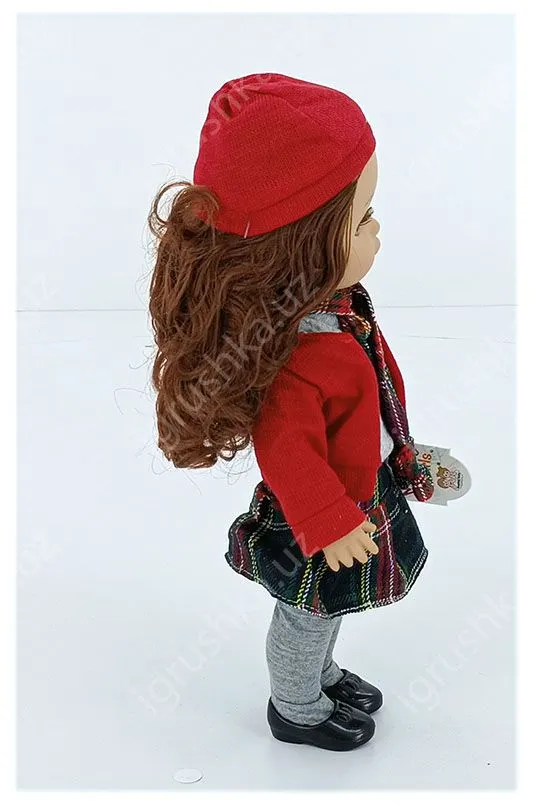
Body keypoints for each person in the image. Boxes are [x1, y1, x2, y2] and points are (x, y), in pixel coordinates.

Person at [147, 72, 434, 753]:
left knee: (333, 608)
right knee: (306, 611)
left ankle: (322, 677)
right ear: (299, 246)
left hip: (359, 488)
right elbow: (285, 449)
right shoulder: (292, 356)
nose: (376, 230)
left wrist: (405, 452)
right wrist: (325, 520)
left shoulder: (339, 311)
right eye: (359, 221)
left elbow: (376, 391)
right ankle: (296, 706)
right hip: (322, 511)